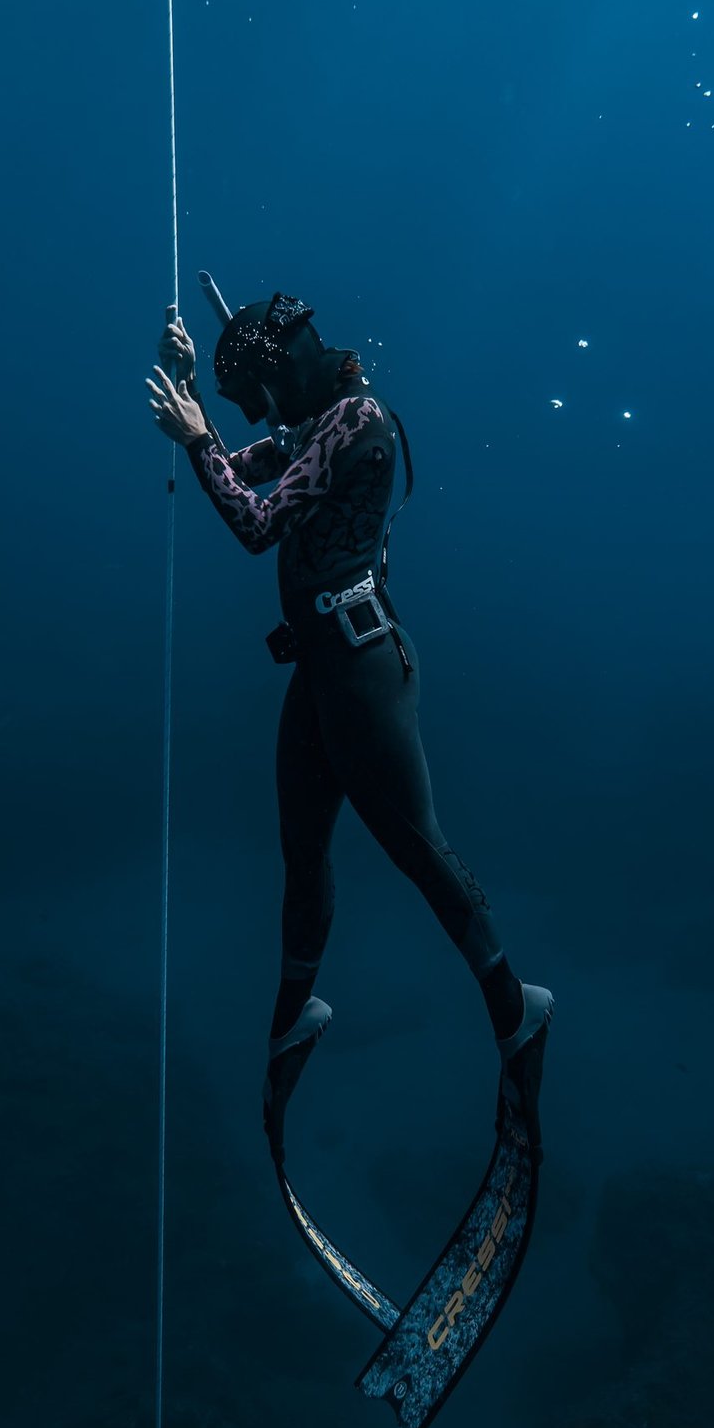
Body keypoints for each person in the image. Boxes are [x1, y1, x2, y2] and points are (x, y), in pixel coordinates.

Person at [145, 291, 552, 1089]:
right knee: (303, 848)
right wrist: (195, 408)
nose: (263, 415)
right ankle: (296, 1008)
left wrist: (196, 438)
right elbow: (238, 473)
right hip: (324, 667)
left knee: (416, 847)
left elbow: (257, 526)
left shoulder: (357, 425)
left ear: (283, 371)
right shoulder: (316, 426)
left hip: (363, 670)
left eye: (260, 396)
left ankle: (515, 1010)